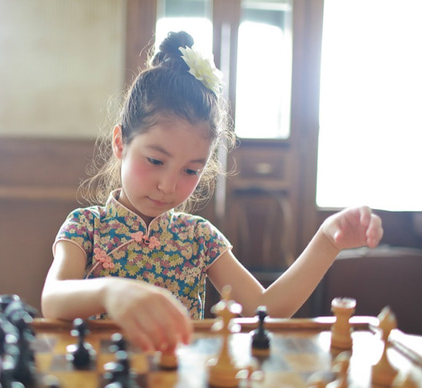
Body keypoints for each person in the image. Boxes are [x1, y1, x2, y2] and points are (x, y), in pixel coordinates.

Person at [41, 31, 383, 353]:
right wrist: (110, 290)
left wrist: (327, 240)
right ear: (120, 142)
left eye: (191, 170)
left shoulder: (199, 237)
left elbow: (267, 310)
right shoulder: (86, 226)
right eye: (155, 160)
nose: (168, 185)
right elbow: (53, 299)